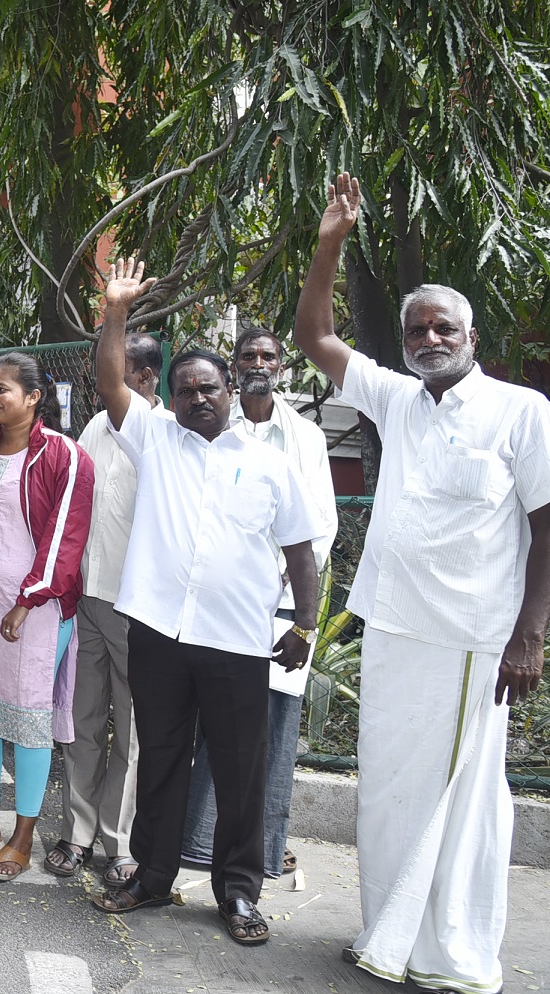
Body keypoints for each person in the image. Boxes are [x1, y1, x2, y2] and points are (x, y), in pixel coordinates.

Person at [295, 173, 550, 994]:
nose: (429, 337)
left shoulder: (521, 412)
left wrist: (530, 636)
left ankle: (452, 954)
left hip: (472, 637)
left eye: (444, 327)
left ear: (471, 338)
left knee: (465, 797)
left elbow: (547, 526)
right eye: (417, 328)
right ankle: (388, 936)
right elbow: (314, 335)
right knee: (390, 789)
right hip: (394, 625)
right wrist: (331, 241)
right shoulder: (400, 399)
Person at [90, 259, 324, 949]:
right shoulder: (154, 438)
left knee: (239, 770)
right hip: (159, 632)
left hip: (238, 641)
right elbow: (109, 380)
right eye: (185, 389)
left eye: (208, 387)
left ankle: (239, 891)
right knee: (160, 758)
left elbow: (300, 552)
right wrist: (116, 311)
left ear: (230, 390)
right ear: (170, 397)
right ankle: (151, 877)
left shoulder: (272, 464)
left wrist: (305, 625)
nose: (197, 398)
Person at [180, 327, 337, 882]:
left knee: (268, 728)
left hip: (284, 603)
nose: (258, 364)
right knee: (209, 721)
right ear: (232, 367)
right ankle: (195, 842)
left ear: (282, 366)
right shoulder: (216, 427)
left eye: (268, 356)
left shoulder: (306, 437)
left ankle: (262, 850)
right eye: (247, 355)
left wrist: (292, 584)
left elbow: (320, 524)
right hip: (218, 602)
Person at [0, 352, 94, 882]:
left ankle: (23, 835)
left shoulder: (64, 455)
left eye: (2, 389)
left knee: (29, 718)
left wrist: (28, 600)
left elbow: (66, 537)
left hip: (40, 609)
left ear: (33, 397)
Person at [48, 331, 168, 886]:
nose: (100, 385)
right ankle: (77, 834)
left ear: (144, 377)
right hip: (86, 599)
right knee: (82, 721)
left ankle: (120, 843)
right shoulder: (96, 426)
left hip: (136, 605)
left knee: (133, 729)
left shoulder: (166, 433)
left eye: (112, 372)